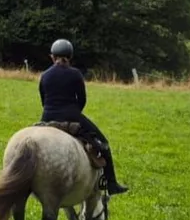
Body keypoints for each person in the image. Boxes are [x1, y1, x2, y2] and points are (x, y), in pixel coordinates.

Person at [38, 38, 129, 195]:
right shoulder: (75, 74)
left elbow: (43, 99)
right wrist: (73, 113)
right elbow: (82, 99)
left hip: (47, 117)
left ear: (52, 57)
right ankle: (112, 184)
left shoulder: (44, 75)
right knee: (104, 144)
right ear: (70, 56)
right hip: (72, 115)